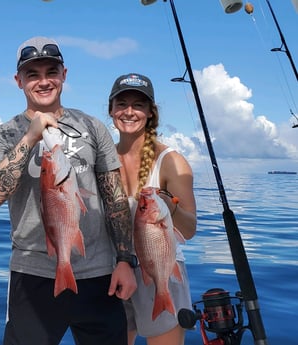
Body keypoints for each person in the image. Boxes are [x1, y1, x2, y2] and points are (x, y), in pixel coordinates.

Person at [0, 36, 137, 345]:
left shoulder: (92, 127)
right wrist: (29, 138)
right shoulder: (5, 134)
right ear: (18, 80)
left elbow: (115, 197)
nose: (43, 81)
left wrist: (124, 260)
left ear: (64, 74)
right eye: (32, 74)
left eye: (51, 71)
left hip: (98, 272)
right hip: (33, 273)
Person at [108, 73, 197, 345]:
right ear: (111, 110)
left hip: (162, 269)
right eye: (122, 104)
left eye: (138, 105)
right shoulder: (104, 161)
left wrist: (170, 207)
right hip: (113, 270)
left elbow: (190, 228)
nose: (129, 111)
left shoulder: (172, 162)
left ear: (150, 112)